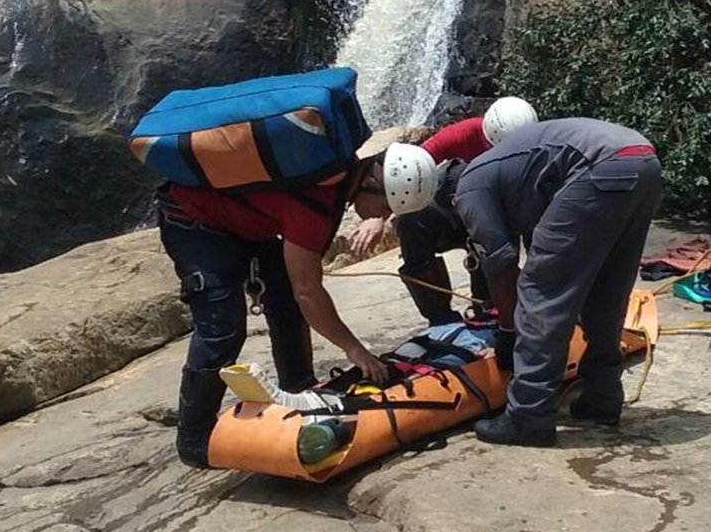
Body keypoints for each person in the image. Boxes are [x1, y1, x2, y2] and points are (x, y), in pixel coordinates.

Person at [158, 142, 437, 468]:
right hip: (191, 216)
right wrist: (355, 349)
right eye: (385, 207)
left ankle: (298, 386)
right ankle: (194, 436)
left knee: (285, 300)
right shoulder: (317, 201)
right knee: (222, 326)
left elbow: (299, 289)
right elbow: (308, 291)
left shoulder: (333, 170)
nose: (383, 216)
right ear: (372, 184)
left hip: (243, 219)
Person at [450, 118, 663, 446]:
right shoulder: (507, 169)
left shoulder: (468, 187)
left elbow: (501, 263)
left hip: (601, 165)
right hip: (643, 158)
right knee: (607, 288)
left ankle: (528, 415)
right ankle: (602, 397)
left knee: (539, 290)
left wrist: (509, 333)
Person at [348, 97, 538, 326]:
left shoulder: (534, 152)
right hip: (454, 208)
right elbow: (409, 173)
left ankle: (492, 308)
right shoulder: (465, 133)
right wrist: (378, 216)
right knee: (412, 224)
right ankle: (440, 317)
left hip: (497, 218)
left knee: (494, 265)